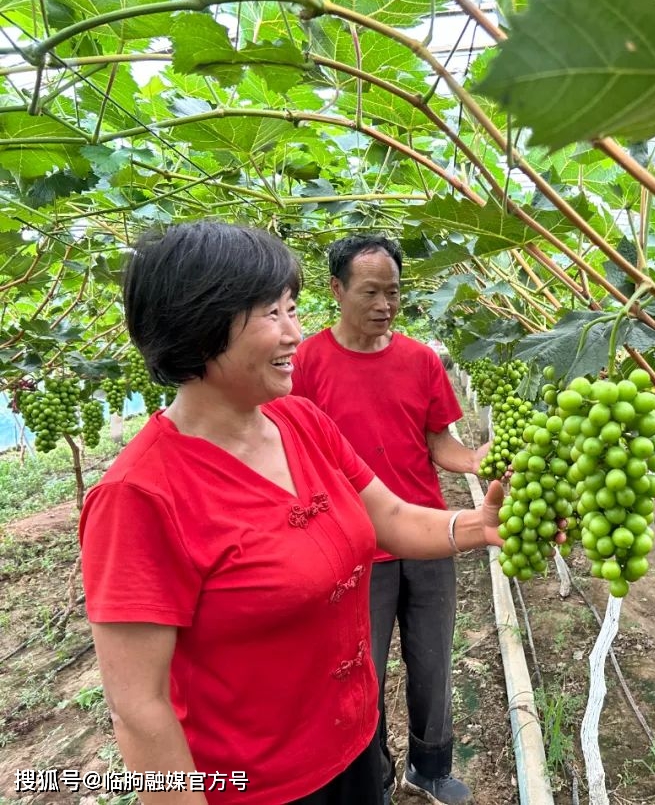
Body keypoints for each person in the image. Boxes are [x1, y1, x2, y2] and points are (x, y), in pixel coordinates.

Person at [77, 222, 504, 805]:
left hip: (352, 751)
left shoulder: (302, 422)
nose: (294, 334)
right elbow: (140, 710)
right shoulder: (140, 497)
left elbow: (393, 518)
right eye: (272, 314)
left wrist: (479, 526)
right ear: (199, 327)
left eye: (294, 309)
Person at [291, 234, 486, 805]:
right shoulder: (305, 362)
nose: (384, 304)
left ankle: (430, 767)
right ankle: (371, 774)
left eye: (393, 293)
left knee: (433, 662)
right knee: (362, 673)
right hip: (352, 546)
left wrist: (476, 459)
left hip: (426, 535)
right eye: (371, 292)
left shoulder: (421, 359)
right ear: (336, 290)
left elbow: (438, 441)